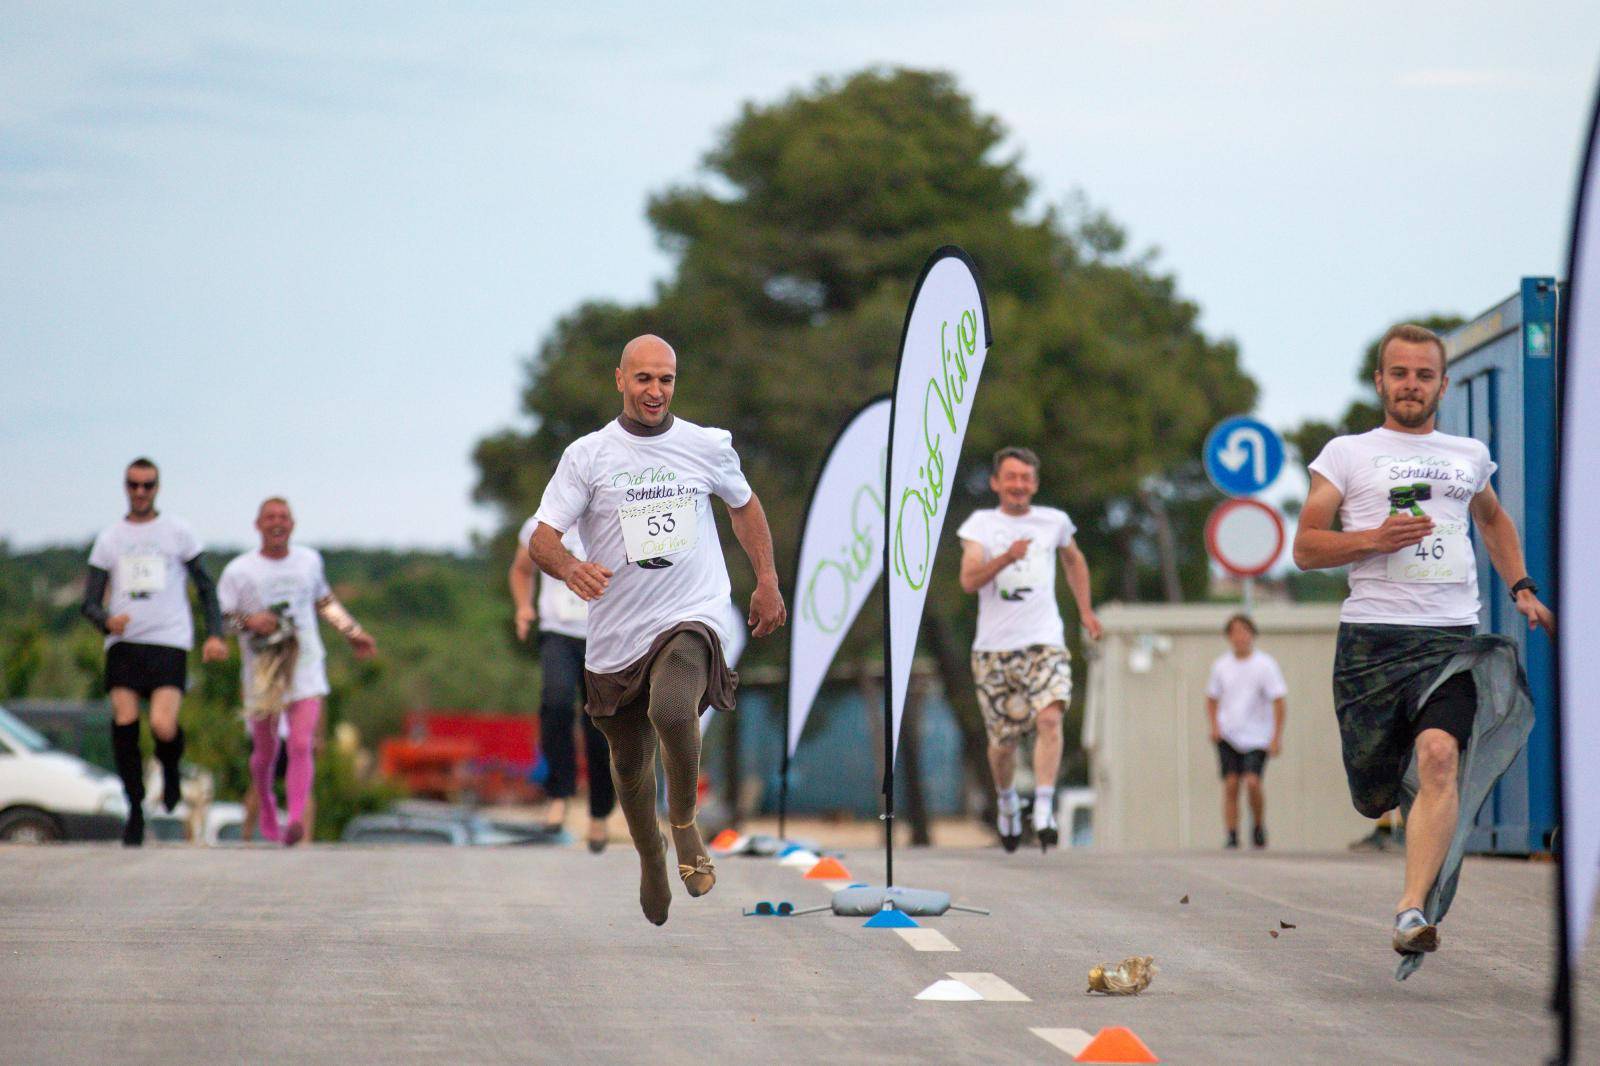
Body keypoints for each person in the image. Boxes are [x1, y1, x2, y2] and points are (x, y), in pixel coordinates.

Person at [1294, 323, 1554, 972]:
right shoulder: (1347, 455)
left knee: (1439, 756)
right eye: (1399, 373)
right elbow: (1305, 546)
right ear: (1381, 381)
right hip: (1372, 642)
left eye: (1424, 374)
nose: (1412, 385)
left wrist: (1519, 583)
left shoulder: (1467, 454)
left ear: (1442, 383)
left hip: (1451, 640)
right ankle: (1391, 801)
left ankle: (1412, 910)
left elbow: (1492, 519)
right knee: (1373, 791)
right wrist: (1371, 541)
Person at [529, 334, 785, 925]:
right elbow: (543, 537)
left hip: (691, 613)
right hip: (618, 630)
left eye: (665, 380)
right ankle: (650, 855)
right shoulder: (588, 456)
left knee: (674, 709)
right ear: (619, 378)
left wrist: (767, 580)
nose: (655, 391)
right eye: (644, 379)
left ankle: (686, 827)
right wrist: (570, 567)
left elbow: (743, 506)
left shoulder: (706, 445)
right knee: (626, 757)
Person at [957, 446, 1102, 853]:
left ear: (1035, 484)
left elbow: (1074, 561)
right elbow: (969, 581)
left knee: (1050, 718)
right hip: (994, 649)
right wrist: (1005, 557)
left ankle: (1042, 807)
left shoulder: (1054, 521)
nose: (1018, 485)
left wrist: (1086, 612)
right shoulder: (980, 525)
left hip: (1044, 641)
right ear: (996, 483)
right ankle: (1006, 803)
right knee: (1002, 744)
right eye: (1011, 477)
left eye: (1026, 478)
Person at [81, 457, 228, 846]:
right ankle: (134, 807)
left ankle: (170, 767)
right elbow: (89, 601)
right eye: (134, 485)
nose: (140, 492)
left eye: (147, 485)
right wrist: (104, 621)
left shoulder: (178, 532)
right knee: (125, 721)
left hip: (168, 640)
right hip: (125, 643)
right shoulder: (110, 538)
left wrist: (216, 634)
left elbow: (206, 586)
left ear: (157, 487)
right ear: (125, 487)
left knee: (163, 725)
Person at [218, 498, 376, 846]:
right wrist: (249, 621)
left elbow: (325, 601)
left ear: (292, 524)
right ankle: (269, 812)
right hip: (264, 672)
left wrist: (352, 632)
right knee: (265, 753)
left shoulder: (308, 562)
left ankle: (296, 818)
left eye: (284, 518)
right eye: (270, 518)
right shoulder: (239, 571)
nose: (277, 523)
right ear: (257, 525)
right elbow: (223, 618)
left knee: (303, 743)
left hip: (304, 666)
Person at [510, 516, 615, 852]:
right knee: (555, 704)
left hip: (604, 634)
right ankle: (558, 793)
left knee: (599, 724)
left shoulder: (612, 517)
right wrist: (524, 607)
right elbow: (521, 570)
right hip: (558, 632)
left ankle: (599, 813)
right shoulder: (538, 526)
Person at [1205, 614, 1288, 849]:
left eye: (1244, 631)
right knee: (1231, 784)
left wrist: (1275, 736)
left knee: (1252, 782)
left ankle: (1258, 825)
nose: (1240, 637)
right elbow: (1211, 698)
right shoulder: (1221, 666)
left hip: (1257, 735)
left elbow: (1279, 701)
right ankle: (1231, 833)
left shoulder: (1265, 665)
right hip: (1229, 733)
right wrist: (1214, 726)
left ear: (1252, 635)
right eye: (1235, 632)